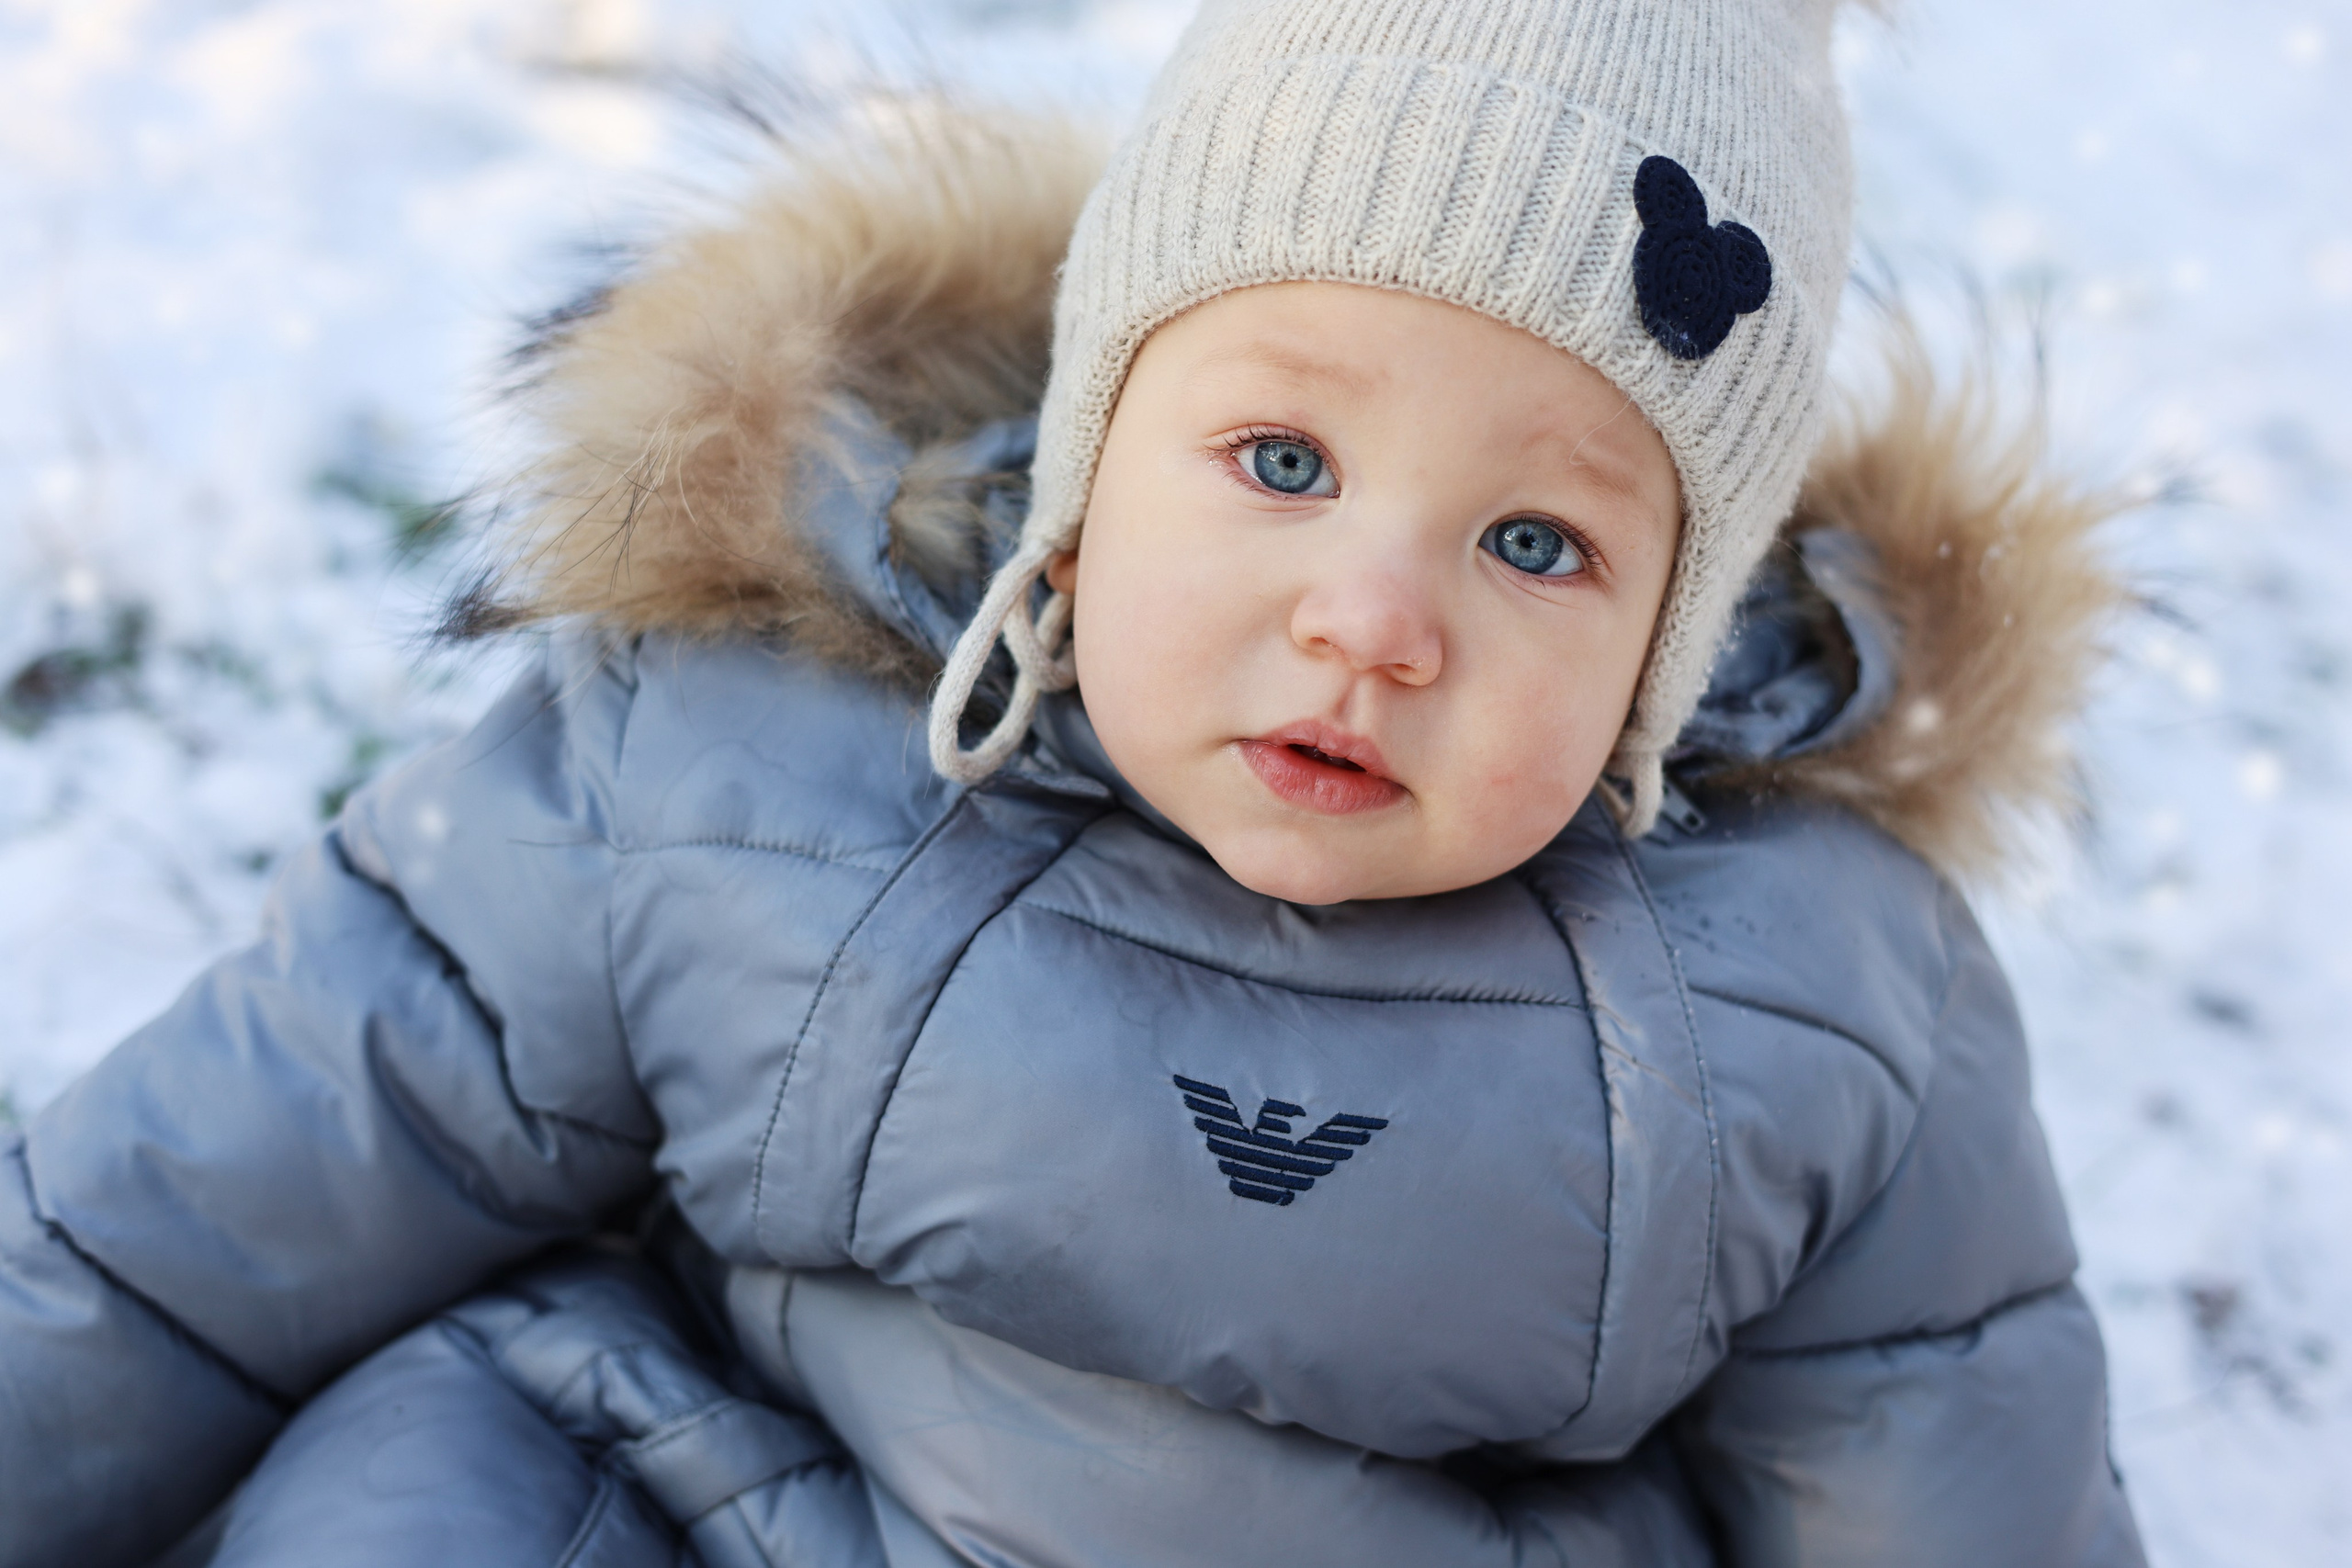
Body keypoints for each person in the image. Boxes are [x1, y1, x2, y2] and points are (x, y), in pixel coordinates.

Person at [0, 1, 2149, 1563]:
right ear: (1084, 464)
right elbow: (214, 1210)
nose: (1371, 617)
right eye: (1281, 462)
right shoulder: (741, 756)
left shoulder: (1812, 1006)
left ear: (1664, 658)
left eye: (1536, 545)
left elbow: (1941, 1456)